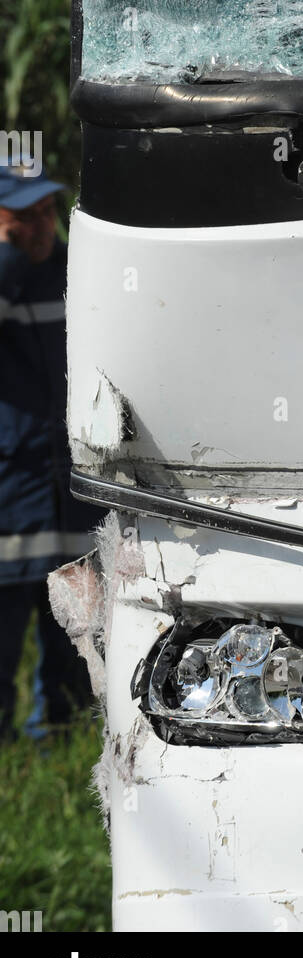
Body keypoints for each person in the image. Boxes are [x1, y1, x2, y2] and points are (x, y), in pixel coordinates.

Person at [0, 165, 103, 739]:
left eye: (46, 212)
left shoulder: (72, 271)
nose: (40, 225)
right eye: (23, 214)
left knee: (70, 634)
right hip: (11, 492)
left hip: (66, 491)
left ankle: (56, 746)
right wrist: (9, 256)